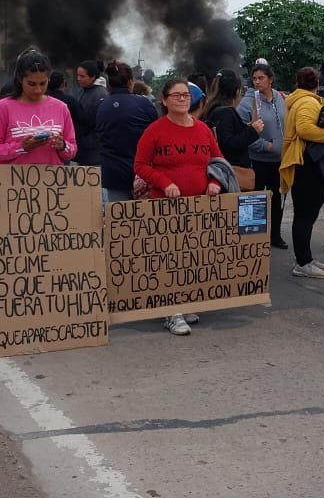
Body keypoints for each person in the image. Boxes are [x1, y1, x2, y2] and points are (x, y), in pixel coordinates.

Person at [135, 78, 224, 336]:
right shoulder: (155, 130)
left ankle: (184, 304)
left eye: (185, 95)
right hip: (165, 207)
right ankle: (171, 312)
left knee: (192, 257)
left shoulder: (203, 129)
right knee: (169, 258)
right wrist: (165, 183)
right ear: (165, 100)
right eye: (176, 95)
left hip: (198, 206)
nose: (182, 99)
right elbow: (140, 165)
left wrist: (215, 182)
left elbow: (218, 161)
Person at [280, 67, 324, 280]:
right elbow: (305, 129)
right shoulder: (308, 102)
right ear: (316, 83)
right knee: (305, 215)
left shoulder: (300, 100)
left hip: (305, 163)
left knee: (306, 214)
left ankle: (305, 257)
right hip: (307, 164)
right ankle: (302, 262)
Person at [0, 50, 78, 167]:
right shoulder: (3, 107)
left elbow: (72, 150)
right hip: (15, 178)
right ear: (20, 79)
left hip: (52, 178)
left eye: (43, 83)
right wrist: (21, 147)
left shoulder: (61, 107)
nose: (38, 90)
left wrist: (63, 146)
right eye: (31, 84)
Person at [237, 62, 288, 249]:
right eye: (254, 79)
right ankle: (252, 239)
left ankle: (275, 235)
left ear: (270, 79)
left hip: (279, 160)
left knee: (278, 198)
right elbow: (242, 132)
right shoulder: (247, 103)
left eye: (261, 78)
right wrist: (265, 145)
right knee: (254, 198)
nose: (257, 82)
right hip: (257, 160)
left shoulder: (281, 97)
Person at [96, 61, 157, 203]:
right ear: (130, 82)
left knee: (118, 215)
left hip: (113, 175)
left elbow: (98, 133)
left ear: (109, 84)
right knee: (144, 215)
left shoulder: (101, 106)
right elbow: (156, 131)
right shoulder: (144, 104)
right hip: (142, 174)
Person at [202, 68, 263, 175]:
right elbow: (227, 144)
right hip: (230, 171)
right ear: (236, 91)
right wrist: (253, 131)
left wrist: (246, 127)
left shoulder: (211, 108)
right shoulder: (225, 112)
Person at [71, 60, 107, 166]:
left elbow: (101, 125)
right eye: (78, 75)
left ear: (93, 77)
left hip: (94, 151)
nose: (79, 79)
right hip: (82, 148)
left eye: (82, 76)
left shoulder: (101, 95)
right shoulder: (81, 91)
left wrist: (88, 141)